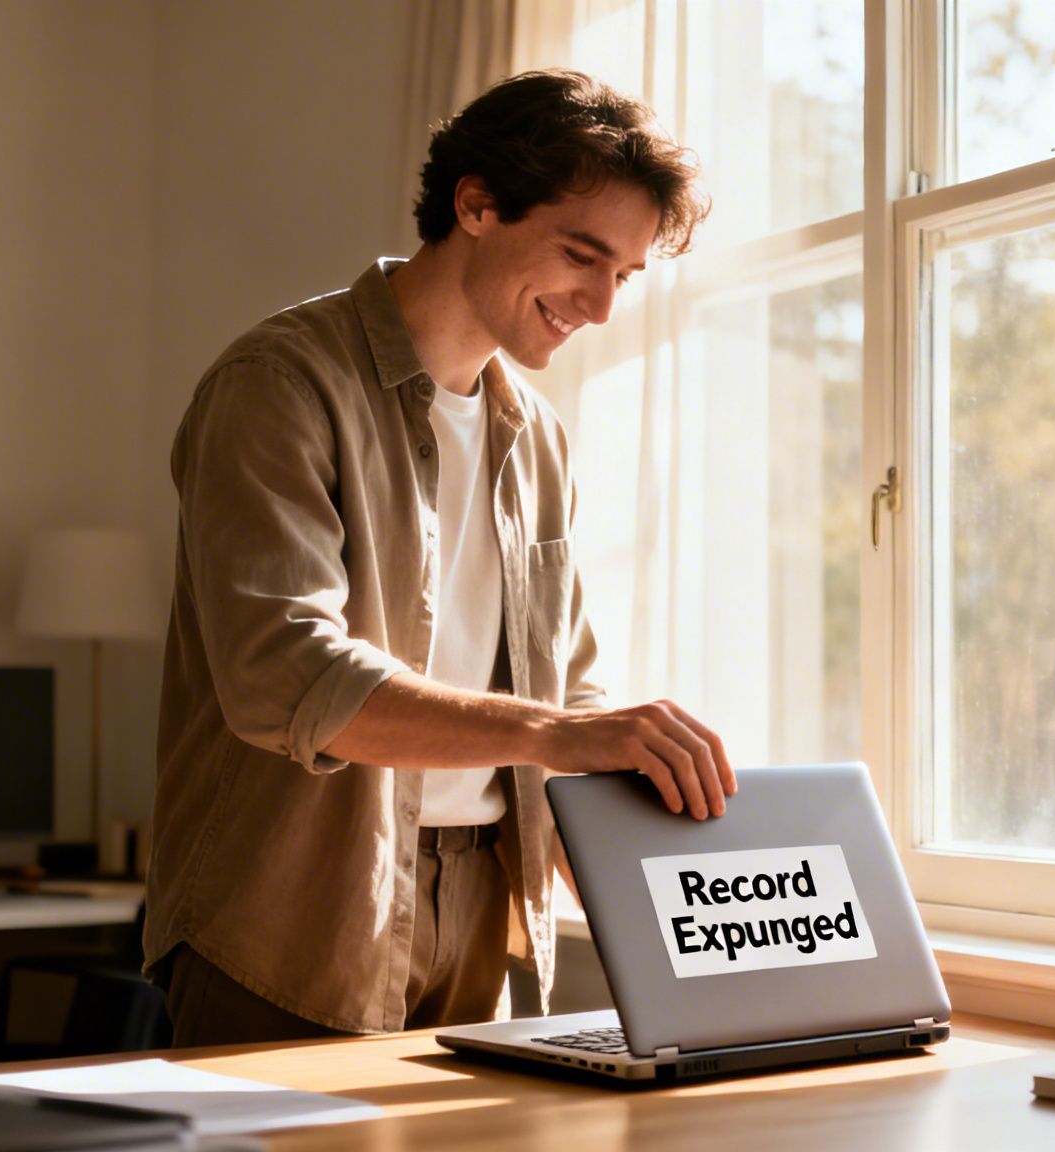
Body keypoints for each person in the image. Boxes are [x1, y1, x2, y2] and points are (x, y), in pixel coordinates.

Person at [144, 69, 731, 1047]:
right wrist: (552, 734)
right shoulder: (278, 383)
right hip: (286, 913)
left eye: (623, 276)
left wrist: (698, 911)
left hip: (482, 909)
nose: (598, 306)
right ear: (475, 203)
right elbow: (282, 678)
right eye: (581, 256)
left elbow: (571, 691)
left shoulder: (533, 435)